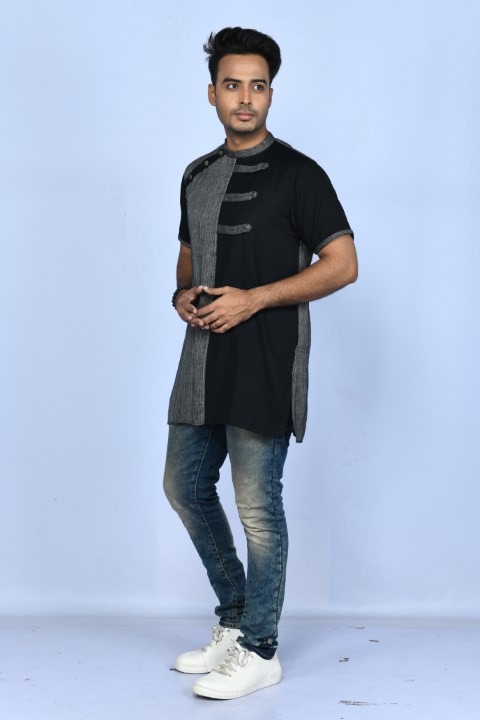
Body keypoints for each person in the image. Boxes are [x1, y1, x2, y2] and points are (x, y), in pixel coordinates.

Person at [163, 26, 357, 700]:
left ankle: (261, 649)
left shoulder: (301, 174)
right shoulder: (196, 174)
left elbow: (343, 265)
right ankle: (235, 620)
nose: (245, 98)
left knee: (257, 508)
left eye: (258, 85)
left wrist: (254, 299)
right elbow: (189, 257)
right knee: (184, 486)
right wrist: (183, 295)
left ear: (271, 93)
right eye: (233, 85)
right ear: (212, 93)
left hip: (268, 359)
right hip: (202, 358)